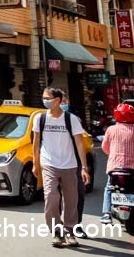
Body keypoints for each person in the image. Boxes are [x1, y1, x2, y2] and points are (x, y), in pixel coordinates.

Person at [32, 87, 89, 247]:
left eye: (47, 98)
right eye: (44, 98)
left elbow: (79, 142)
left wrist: (84, 167)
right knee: (51, 197)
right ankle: (57, 232)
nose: (44, 100)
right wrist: (35, 163)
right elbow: (36, 142)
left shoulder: (71, 119)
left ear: (57, 100)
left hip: (69, 165)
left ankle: (70, 232)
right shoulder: (39, 118)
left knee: (71, 200)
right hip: (49, 163)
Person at [100, 103, 134, 225]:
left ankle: (106, 214)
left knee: (109, 188)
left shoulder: (111, 130)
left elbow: (105, 148)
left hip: (115, 168)